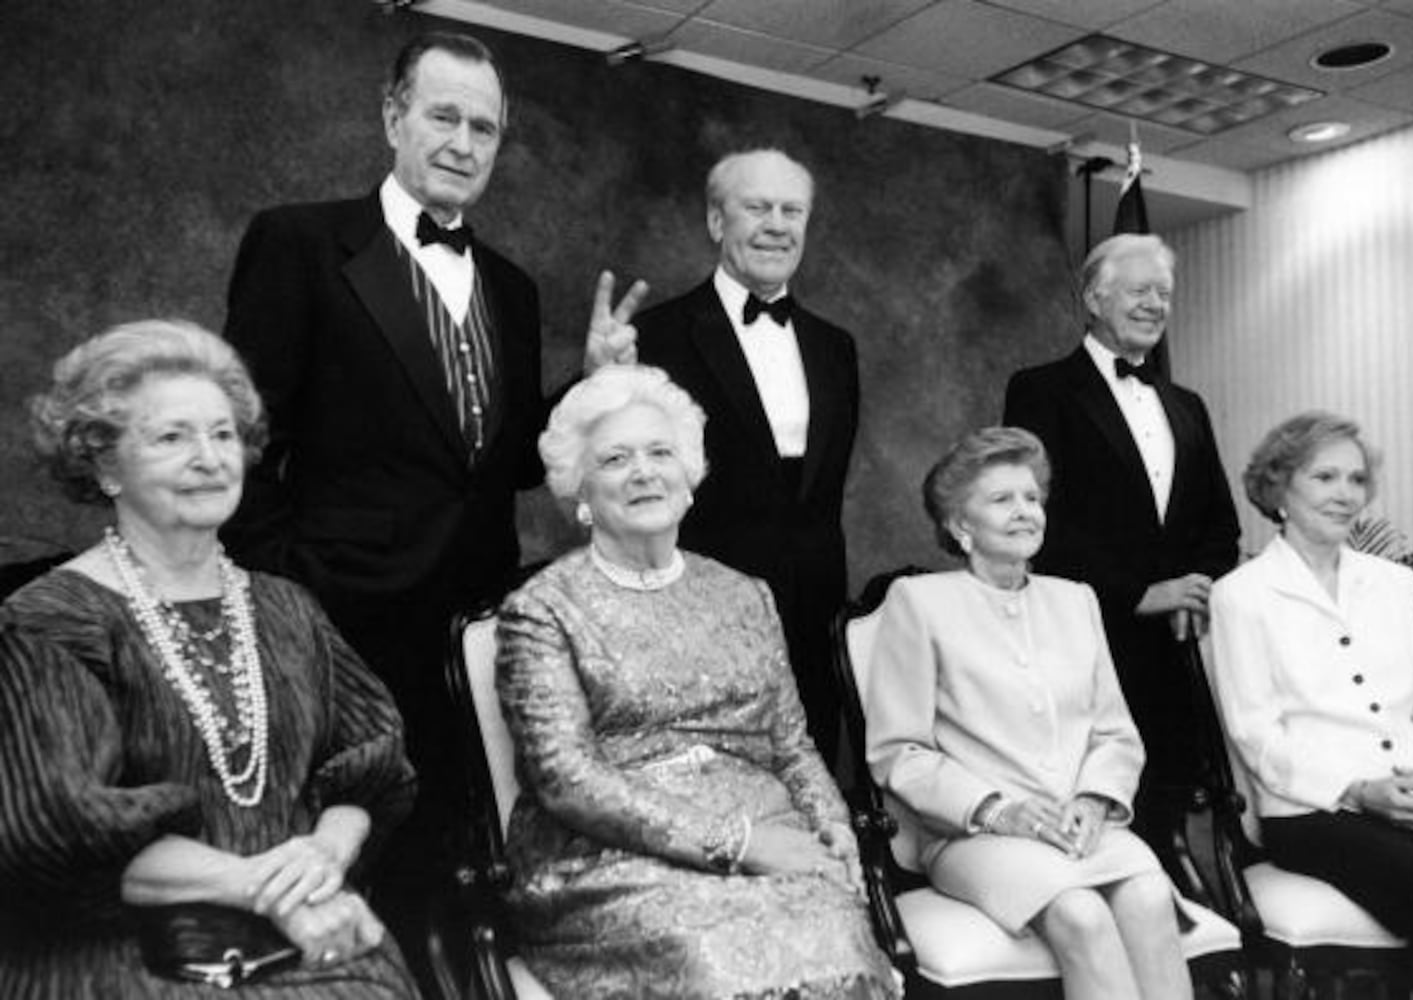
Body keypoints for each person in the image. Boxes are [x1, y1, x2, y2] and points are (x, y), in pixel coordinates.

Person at [218, 31, 642, 986]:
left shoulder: (514, 287)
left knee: (460, 855)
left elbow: (509, 461)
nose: (463, 141)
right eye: (443, 116)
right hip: (343, 625)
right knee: (345, 866)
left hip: (476, 626)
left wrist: (589, 385)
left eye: (483, 126)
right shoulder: (298, 242)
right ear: (392, 117)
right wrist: (291, 586)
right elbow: (238, 436)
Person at [0, 320, 418, 997]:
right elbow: (58, 832)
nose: (209, 457)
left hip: (310, 935)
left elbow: (369, 771)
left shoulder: (288, 609)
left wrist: (323, 857)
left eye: (223, 434)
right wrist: (262, 889)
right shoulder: (51, 622)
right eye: (172, 437)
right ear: (103, 464)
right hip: (129, 958)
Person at [495, 365, 898, 998]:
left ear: (689, 477)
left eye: (661, 453)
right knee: (712, 959)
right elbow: (565, 777)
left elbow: (792, 745)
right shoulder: (543, 608)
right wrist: (737, 844)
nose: (643, 471)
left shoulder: (745, 596)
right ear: (580, 492)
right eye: (615, 459)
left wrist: (834, 832)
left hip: (772, 836)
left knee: (839, 947)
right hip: (611, 861)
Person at [863, 425, 1192, 1000]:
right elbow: (900, 753)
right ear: (959, 526)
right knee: (1081, 914)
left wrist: (1095, 800)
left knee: (1148, 896)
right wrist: (998, 811)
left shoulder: (1076, 600)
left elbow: (1115, 732)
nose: (1024, 512)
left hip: (1080, 827)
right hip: (973, 835)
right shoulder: (919, 604)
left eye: (1032, 498)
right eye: (1001, 499)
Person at [1209, 411, 1413, 999]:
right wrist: (1360, 791)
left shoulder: (1396, 584)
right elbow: (1256, 735)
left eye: (1356, 480)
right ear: (1279, 488)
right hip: (1316, 812)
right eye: (1325, 478)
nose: (1345, 495)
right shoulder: (1241, 596)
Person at [1002, 233, 1240, 863]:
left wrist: (1196, 588)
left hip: (1177, 650)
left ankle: (1169, 920)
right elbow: (1036, 518)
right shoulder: (1040, 389)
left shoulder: (1188, 405)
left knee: (1166, 807)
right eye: (1139, 290)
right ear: (1093, 298)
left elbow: (1220, 523)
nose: (1155, 304)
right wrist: (1139, 594)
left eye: (1164, 293)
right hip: (1088, 638)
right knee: (1094, 808)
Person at [634, 147, 858, 767]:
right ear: (716, 222)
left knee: (809, 780)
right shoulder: (657, 334)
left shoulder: (835, 347)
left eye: (793, 210)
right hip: (702, 611)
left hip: (813, 611)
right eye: (757, 207)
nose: (777, 224)